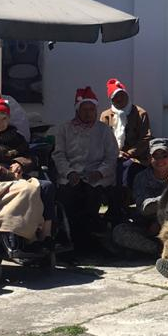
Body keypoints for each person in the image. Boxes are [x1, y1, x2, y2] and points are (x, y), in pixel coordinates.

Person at [0, 98, 55, 246]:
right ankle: (23, 234)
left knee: (47, 186)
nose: (0, 122)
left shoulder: (16, 137)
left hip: (18, 177)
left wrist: (20, 164)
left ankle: (46, 235)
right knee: (27, 190)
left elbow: (31, 157)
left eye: (4, 118)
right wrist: (8, 173)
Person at [50, 87, 118, 252]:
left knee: (91, 198)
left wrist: (99, 172)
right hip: (71, 175)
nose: (89, 113)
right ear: (77, 110)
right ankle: (68, 241)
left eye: (92, 109)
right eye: (85, 110)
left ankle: (89, 243)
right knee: (67, 199)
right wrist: (69, 172)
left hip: (96, 175)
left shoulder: (104, 130)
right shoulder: (64, 129)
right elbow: (58, 155)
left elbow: (111, 157)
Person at [109, 137, 168, 257]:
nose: (160, 160)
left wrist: (159, 221)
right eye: (155, 156)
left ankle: (157, 252)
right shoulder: (141, 178)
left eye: (164, 155)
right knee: (119, 232)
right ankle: (159, 251)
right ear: (149, 159)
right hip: (145, 226)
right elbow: (144, 207)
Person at [98, 78, 153, 184]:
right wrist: (116, 153)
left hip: (136, 157)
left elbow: (146, 138)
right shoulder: (106, 116)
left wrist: (129, 153)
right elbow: (101, 139)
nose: (119, 99)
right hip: (111, 156)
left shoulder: (140, 113)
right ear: (111, 100)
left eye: (122, 95)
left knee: (129, 170)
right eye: (115, 97)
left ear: (127, 95)